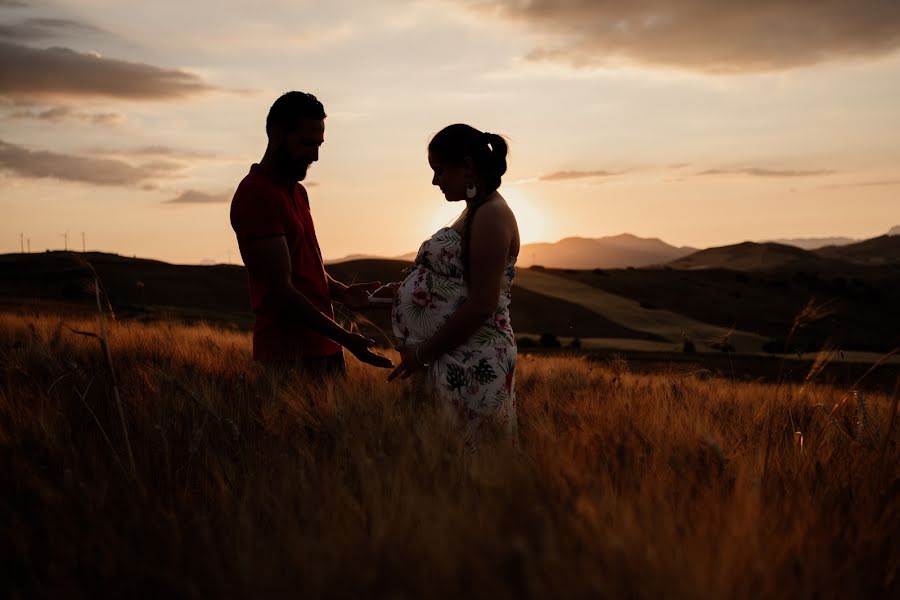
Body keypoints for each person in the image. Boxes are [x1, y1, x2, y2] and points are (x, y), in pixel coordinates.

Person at [230, 91, 392, 374]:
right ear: (276, 134)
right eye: (306, 143)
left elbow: (303, 269)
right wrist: (346, 338)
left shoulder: (298, 192)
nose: (315, 156)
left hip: (325, 350)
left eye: (319, 145)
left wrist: (342, 292)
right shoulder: (256, 194)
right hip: (289, 357)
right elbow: (281, 290)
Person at [388, 123, 520, 445]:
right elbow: (454, 286)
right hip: (453, 355)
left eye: (440, 171)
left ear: (468, 167)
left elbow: (482, 304)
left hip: (474, 359)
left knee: (474, 461)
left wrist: (422, 355)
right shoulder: (474, 211)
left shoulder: (491, 215)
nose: (435, 181)